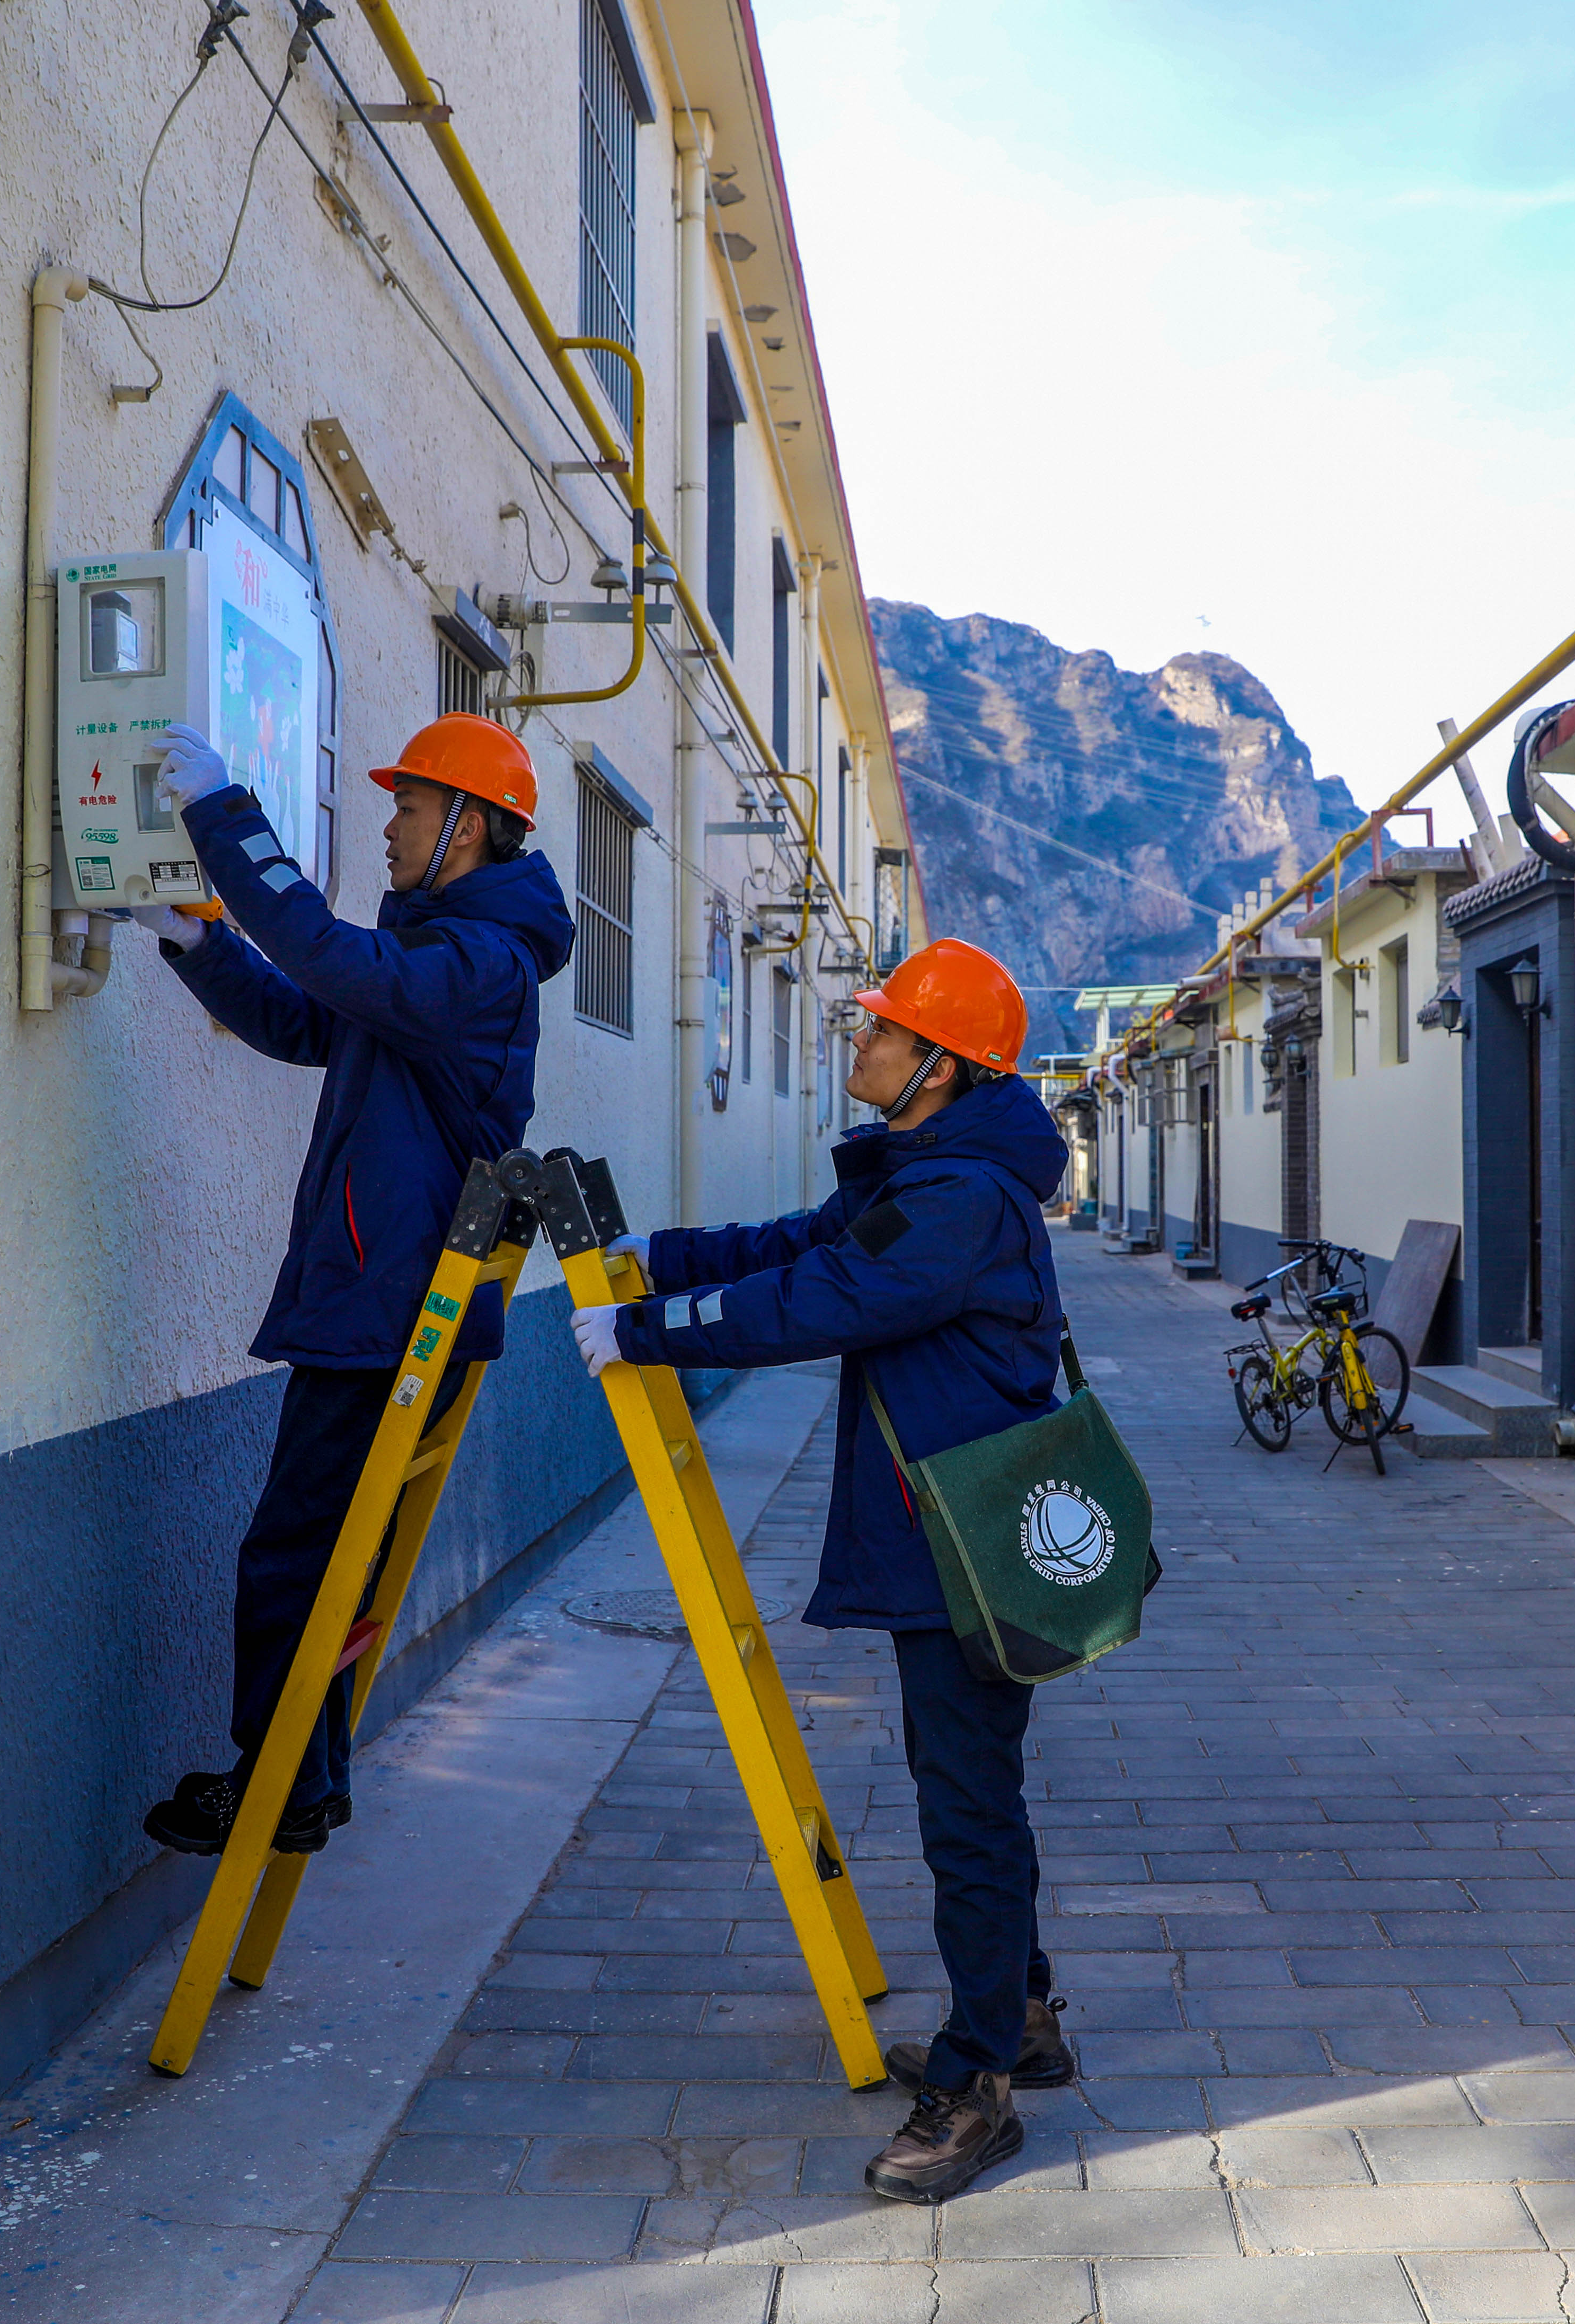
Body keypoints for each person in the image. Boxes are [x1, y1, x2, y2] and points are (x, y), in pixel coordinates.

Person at [567, 937, 1076, 2205]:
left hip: (964, 1541)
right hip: (945, 1529)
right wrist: (662, 1258)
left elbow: (825, 1299)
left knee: (966, 1801)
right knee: (970, 1787)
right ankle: (1016, 2016)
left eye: (882, 1033)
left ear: (941, 1068)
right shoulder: (937, 1164)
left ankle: (977, 2089)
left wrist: (641, 1333)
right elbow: (798, 1243)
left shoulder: (960, 1198)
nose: (860, 1043)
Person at [133, 712, 573, 1859]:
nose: (387, 827)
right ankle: (302, 1778)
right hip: (380, 1298)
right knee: (326, 1561)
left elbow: (329, 960)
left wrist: (225, 818)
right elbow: (300, 1018)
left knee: (294, 1556)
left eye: (410, 807)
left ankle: (274, 1787)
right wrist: (195, 943)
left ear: (468, 828)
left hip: (386, 1306)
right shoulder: (437, 957)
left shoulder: (476, 964)